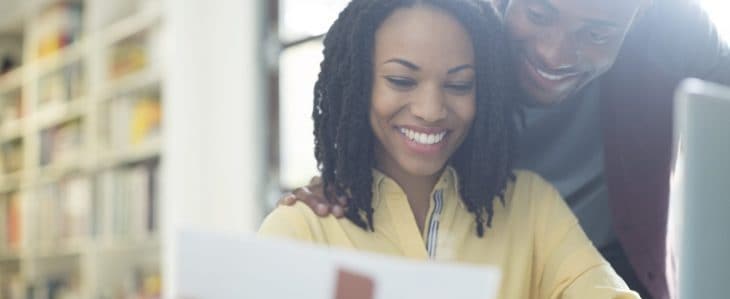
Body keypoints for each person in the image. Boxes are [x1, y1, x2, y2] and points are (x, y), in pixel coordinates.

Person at [280, 0, 730, 298]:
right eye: (538, 14)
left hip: (605, 254)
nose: (555, 54)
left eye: (596, 35)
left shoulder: (676, 32)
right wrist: (347, 171)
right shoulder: (455, 25)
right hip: (475, 247)